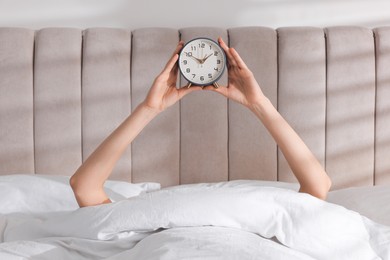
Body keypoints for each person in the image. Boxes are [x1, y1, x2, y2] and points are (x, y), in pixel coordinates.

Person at [70, 37, 332, 208]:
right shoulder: (144, 220)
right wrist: (149, 108)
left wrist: (259, 104)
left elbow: (84, 187)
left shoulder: (262, 221)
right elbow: (83, 187)